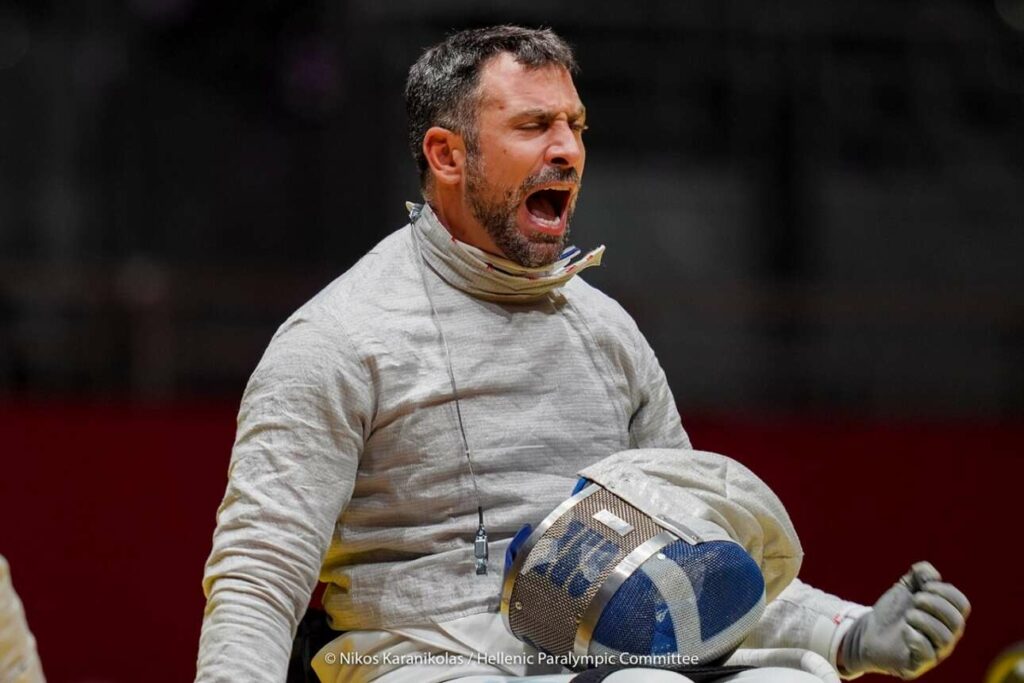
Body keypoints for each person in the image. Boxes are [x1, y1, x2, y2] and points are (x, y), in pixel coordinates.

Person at [195, 26, 968, 683]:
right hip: (420, 658)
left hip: (592, 655)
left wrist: (846, 631)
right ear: (447, 155)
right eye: (534, 125)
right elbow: (259, 576)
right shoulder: (339, 337)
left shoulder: (605, 333)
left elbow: (686, 551)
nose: (567, 149)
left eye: (575, 124)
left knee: (790, 681)